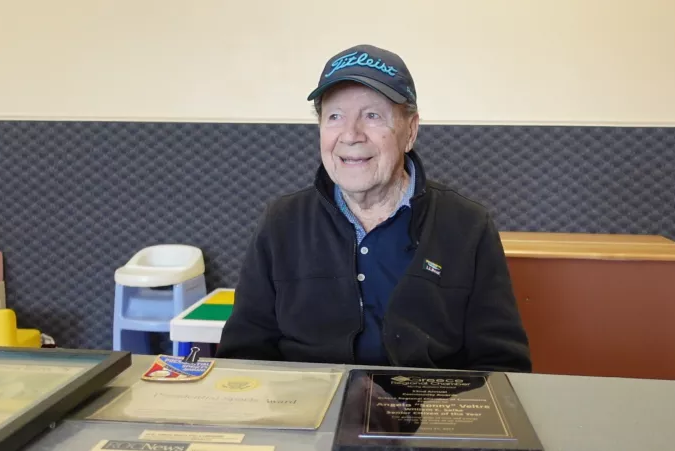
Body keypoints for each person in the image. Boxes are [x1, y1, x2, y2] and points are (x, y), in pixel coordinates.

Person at [216, 44, 531, 373]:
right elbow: (243, 355)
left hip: (427, 415)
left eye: (372, 116)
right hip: (306, 413)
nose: (351, 135)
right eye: (335, 116)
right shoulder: (281, 223)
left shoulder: (467, 226)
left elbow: (502, 365)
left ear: (410, 131)